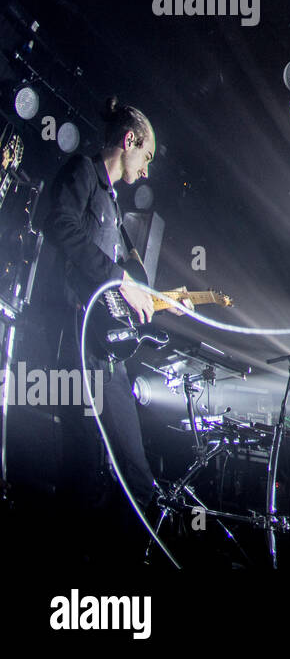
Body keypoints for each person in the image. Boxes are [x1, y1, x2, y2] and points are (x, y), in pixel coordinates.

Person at [37, 98, 185, 554]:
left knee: (98, 472)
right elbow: (58, 223)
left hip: (102, 349)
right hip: (76, 345)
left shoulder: (113, 208)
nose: (146, 170)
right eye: (147, 157)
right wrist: (121, 280)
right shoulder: (82, 170)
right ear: (129, 141)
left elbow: (114, 283)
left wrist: (153, 299)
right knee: (118, 475)